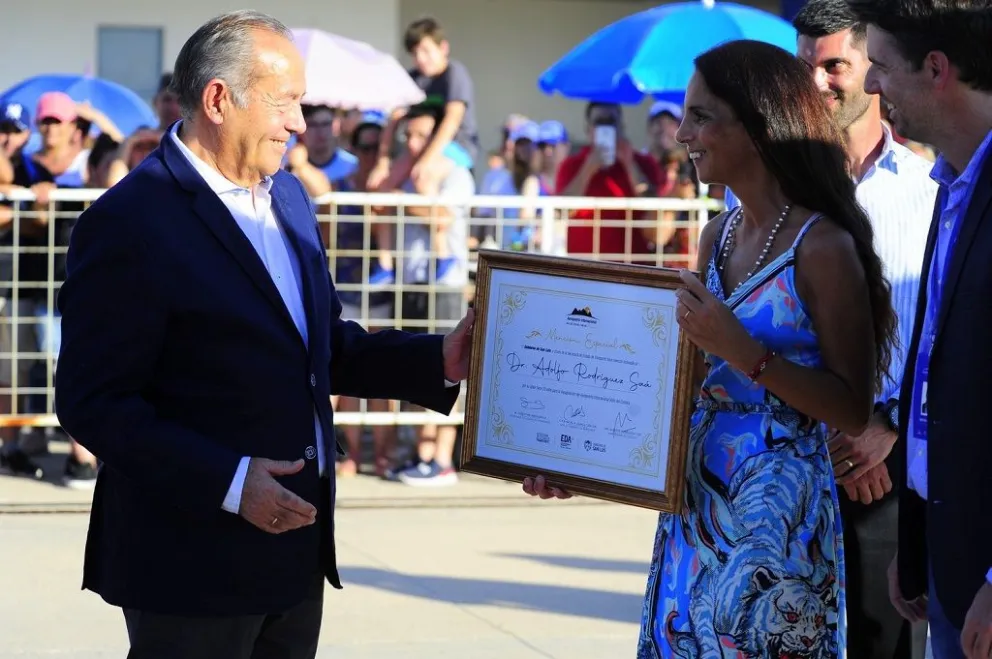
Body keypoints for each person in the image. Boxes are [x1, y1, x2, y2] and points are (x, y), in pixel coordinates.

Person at [53, 11, 474, 658]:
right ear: (219, 99)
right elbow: (93, 402)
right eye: (286, 102)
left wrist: (434, 360)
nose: (300, 123)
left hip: (293, 554)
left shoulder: (288, 198)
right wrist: (229, 480)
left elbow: (320, 344)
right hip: (189, 564)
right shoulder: (131, 220)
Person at [525, 39, 898, 657]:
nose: (679, 134)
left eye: (699, 116)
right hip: (696, 507)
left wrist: (746, 351)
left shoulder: (821, 245)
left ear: (756, 126)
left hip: (775, 524)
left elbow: (852, 409)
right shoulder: (716, 235)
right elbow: (681, 384)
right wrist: (578, 459)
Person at [732, 0, 939, 654]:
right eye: (804, 68)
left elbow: (939, 336)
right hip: (777, 468)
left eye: (834, 67)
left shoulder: (930, 188)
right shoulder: (760, 192)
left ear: (871, 70)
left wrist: (887, 428)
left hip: (880, 473)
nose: (816, 83)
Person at [843, 0, 992, 656]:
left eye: (879, 66)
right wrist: (918, 540)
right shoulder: (952, 182)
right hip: (945, 563)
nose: (870, 87)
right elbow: (937, 374)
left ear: (936, 69)